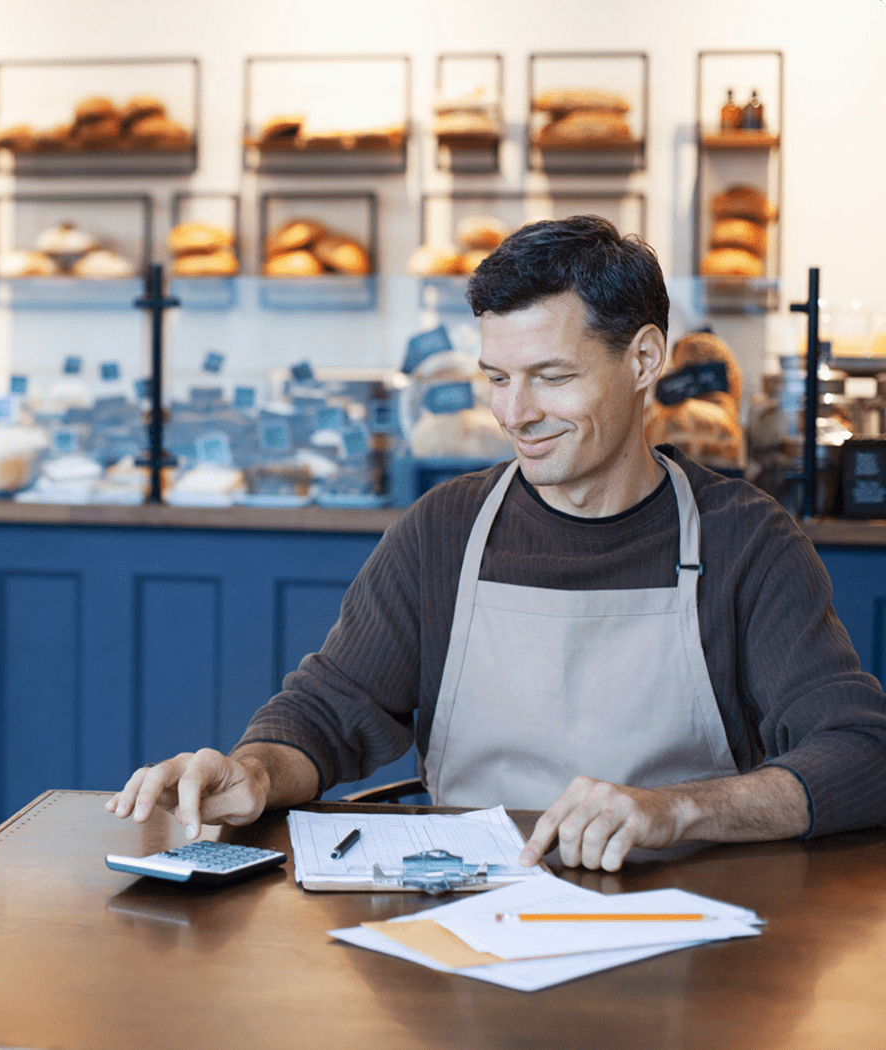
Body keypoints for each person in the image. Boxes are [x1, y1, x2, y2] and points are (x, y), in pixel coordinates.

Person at [108, 216, 886, 873]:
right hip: (467, 918)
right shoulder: (445, 530)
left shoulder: (746, 540)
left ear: (643, 360)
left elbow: (863, 751)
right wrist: (252, 770)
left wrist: (676, 809)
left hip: (684, 924)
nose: (515, 414)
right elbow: (328, 713)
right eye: (497, 378)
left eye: (551, 376)